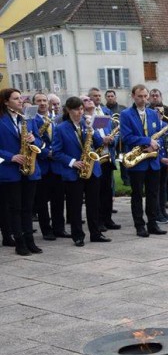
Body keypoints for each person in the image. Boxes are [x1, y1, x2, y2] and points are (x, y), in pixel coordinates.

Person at [52, 96, 111, 246]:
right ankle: (77, 235)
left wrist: (93, 129)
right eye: (76, 110)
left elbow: (98, 143)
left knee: (93, 203)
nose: (80, 112)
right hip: (74, 172)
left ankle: (96, 233)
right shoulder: (60, 128)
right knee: (75, 205)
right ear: (68, 111)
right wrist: (73, 162)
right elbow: (56, 152)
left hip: (92, 169)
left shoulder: (87, 124)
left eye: (81, 109)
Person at [119, 84, 167, 237]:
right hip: (137, 161)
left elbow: (159, 135)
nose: (143, 99)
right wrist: (147, 141)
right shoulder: (126, 114)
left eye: (145, 96)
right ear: (133, 96)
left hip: (152, 160)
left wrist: (155, 146)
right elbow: (126, 137)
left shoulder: (152, 113)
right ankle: (139, 225)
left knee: (153, 193)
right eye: (140, 96)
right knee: (137, 194)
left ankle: (152, 223)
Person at [0, 88, 43, 255]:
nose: (20, 101)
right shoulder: (1, 119)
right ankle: (19, 243)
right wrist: (11, 157)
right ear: (5, 102)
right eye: (16, 98)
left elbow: (39, 142)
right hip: (10, 170)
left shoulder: (27, 118)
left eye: (20, 98)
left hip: (29, 168)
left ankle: (30, 241)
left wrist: (34, 140)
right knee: (15, 208)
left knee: (28, 207)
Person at [32, 93, 68, 241]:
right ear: (34, 104)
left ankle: (59, 228)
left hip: (57, 166)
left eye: (44, 100)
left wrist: (57, 153)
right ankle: (46, 230)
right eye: (38, 101)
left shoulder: (54, 119)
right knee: (41, 201)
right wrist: (47, 153)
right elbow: (32, 140)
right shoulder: (31, 121)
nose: (42, 103)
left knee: (58, 200)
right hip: (42, 165)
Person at [82, 95, 120, 232]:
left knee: (107, 191)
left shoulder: (101, 117)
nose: (89, 100)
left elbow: (111, 134)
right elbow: (91, 139)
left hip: (106, 157)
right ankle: (98, 222)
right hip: (94, 159)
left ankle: (107, 219)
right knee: (96, 193)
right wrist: (101, 140)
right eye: (85, 100)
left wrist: (111, 140)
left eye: (89, 99)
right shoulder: (82, 121)